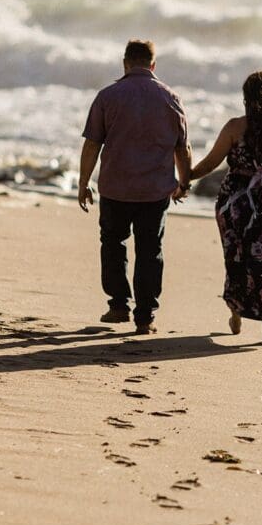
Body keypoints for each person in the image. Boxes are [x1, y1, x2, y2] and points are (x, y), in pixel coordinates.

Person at [78, 39, 192, 335]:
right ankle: (145, 317)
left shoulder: (108, 96)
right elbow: (183, 148)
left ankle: (118, 305)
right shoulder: (171, 98)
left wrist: (83, 183)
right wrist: (184, 182)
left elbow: (92, 143)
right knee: (150, 250)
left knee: (113, 243)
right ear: (153, 65)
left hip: (115, 187)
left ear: (125, 63)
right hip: (154, 191)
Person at [190, 71, 262, 344]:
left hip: (236, 205)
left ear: (246, 99)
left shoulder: (233, 128)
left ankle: (236, 315)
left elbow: (210, 164)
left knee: (237, 260)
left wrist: (185, 179)